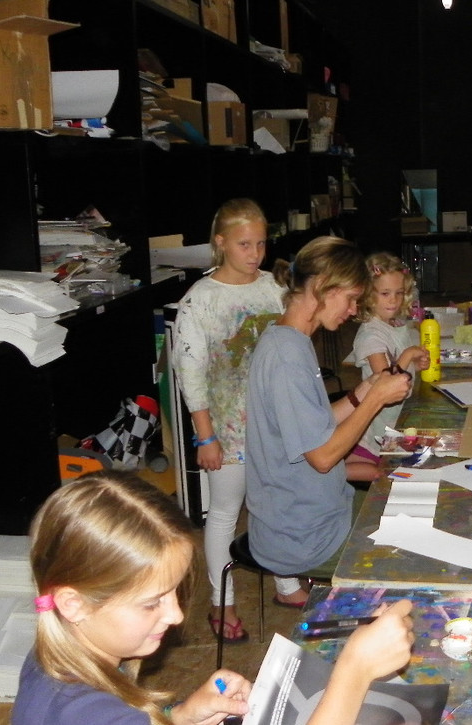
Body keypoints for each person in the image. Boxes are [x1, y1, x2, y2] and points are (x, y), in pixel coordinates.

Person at [12, 471, 416, 725]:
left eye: (175, 592)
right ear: (74, 604)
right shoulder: (90, 714)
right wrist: (355, 670)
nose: (175, 615)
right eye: (152, 602)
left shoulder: (54, 660)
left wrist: (180, 717)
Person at [170, 199, 306, 645]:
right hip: (227, 429)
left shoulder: (274, 289)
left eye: (261, 244)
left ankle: (286, 581)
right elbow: (191, 373)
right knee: (226, 512)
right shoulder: (201, 299)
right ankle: (221, 602)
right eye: (244, 244)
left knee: (278, 505)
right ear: (221, 243)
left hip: (275, 425)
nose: (255, 253)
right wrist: (205, 436)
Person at [245, 236, 413, 585]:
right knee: (413, 556)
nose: (352, 310)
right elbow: (322, 457)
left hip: (321, 515)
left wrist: (362, 392)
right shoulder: (287, 357)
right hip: (303, 539)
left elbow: (314, 425)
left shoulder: (291, 339)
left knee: (412, 512)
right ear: (322, 286)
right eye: (350, 298)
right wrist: (375, 400)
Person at [347, 252, 429, 480]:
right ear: (368, 294)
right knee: (381, 471)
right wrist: (407, 355)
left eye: (399, 293)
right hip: (378, 419)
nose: (393, 300)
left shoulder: (395, 325)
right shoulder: (371, 335)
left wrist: (415, 364)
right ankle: (331, 473)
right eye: (385, 293)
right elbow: (386, 382)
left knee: (396, 464)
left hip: (396, 415)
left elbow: (400, 366)